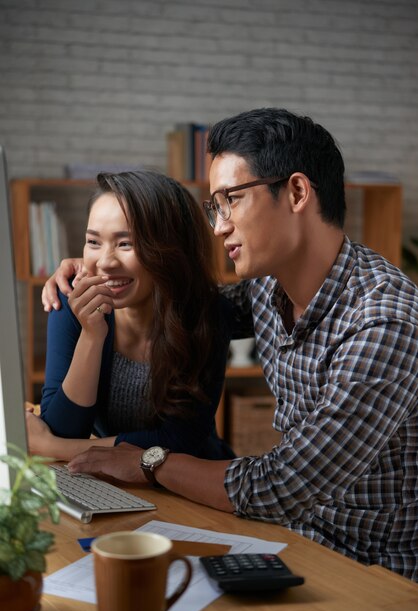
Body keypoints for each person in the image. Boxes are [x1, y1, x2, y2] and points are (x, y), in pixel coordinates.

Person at [41, 108, 418, 581]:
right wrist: (99, 268)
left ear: (297, 192)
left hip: (375, 570)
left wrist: (149, 461)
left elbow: (282, 484)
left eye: (231, 200)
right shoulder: (266, 287)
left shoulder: (384, 322)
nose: (219, 226)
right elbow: (186, 303)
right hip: (289, 536)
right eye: (214, 206)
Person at [28, 169, 236, 462]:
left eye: (126, 243)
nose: (105, 262)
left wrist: (52, 448)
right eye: (93, 242)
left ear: (170, 250)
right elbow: (65, 429)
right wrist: (92, 335)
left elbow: (177, 443)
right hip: (110, 479)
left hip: (189, 485)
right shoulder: (74, 300)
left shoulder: (206, 315)